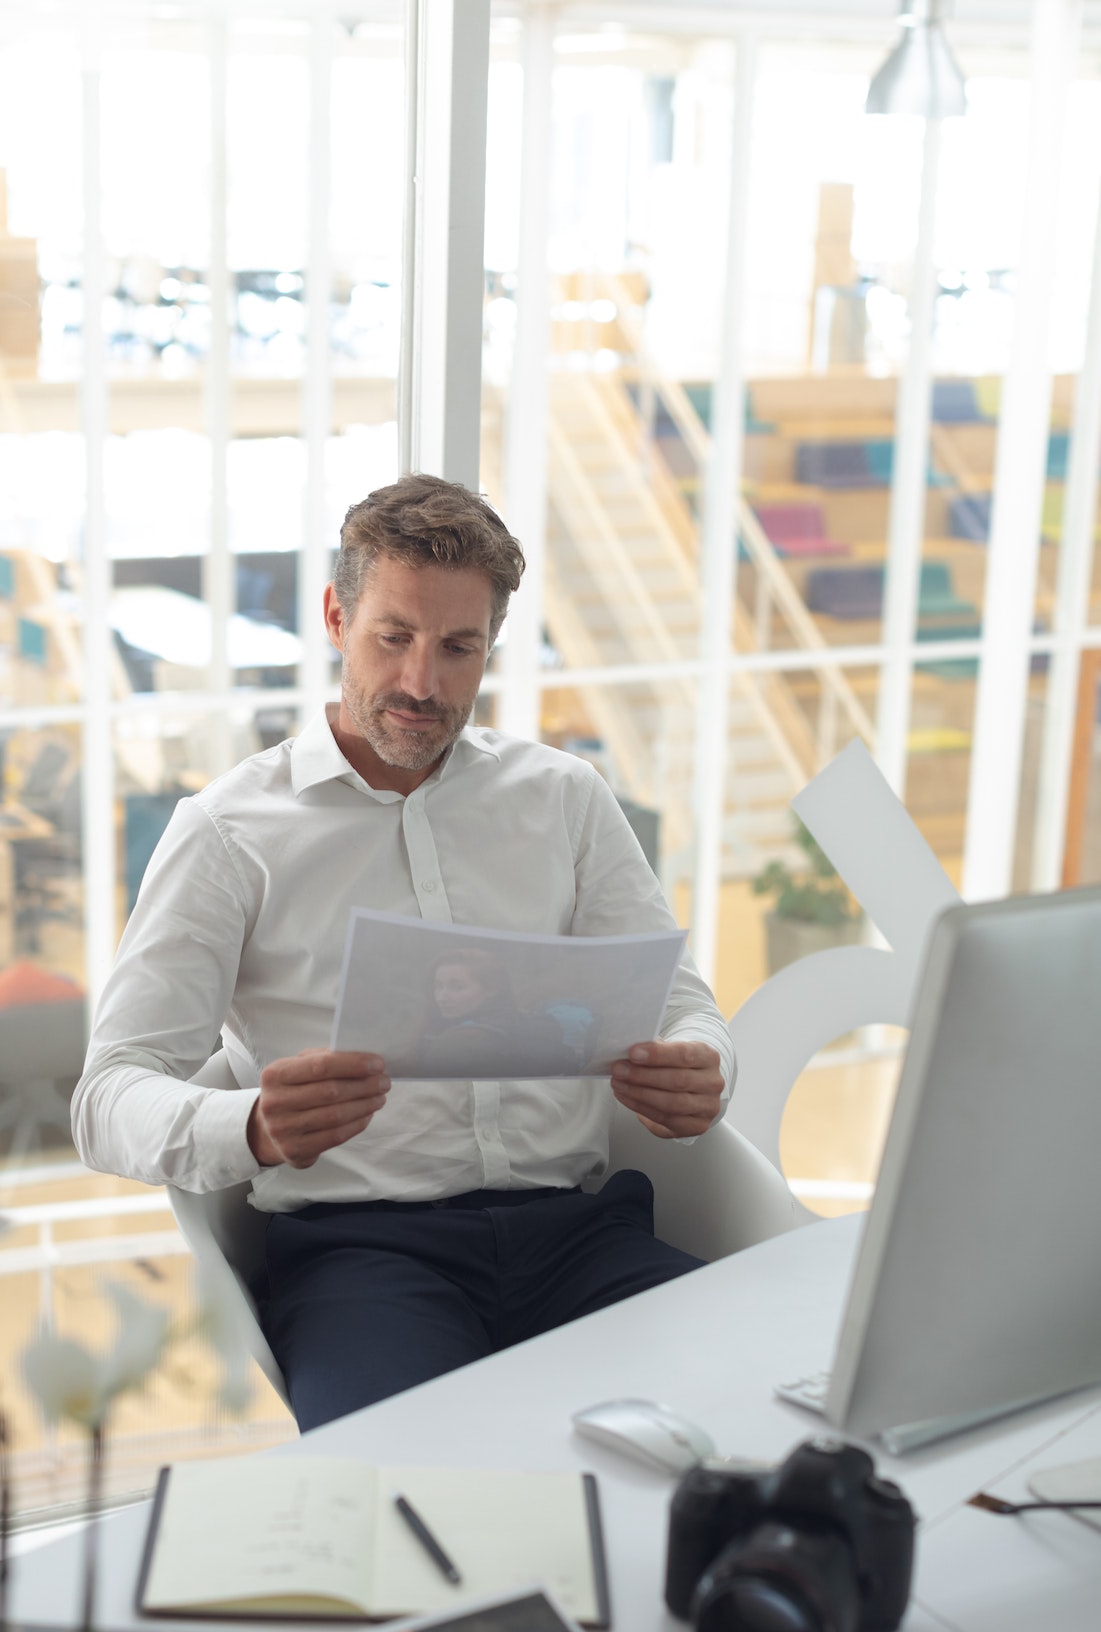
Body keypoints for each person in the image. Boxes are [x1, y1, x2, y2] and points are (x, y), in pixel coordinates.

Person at [73, 474, 735, 1429]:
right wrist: (249, 1127)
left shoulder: (563, 799)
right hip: (364, 1261)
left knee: (762, 1417)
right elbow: (107, 1098)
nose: (422, 683)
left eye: (458, 647)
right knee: (397, 1496)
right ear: (338, 617)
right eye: (394, 637)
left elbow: (683, 1008)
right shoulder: (226, 832)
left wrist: (705, 1065)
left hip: (583, 1238)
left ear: (490, 648)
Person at [414, 947, 566, 1078]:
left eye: (457, 987)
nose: (441, 998)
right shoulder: (525, 1022)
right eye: (438, 986)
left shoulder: (457, 1044)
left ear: (491, 989)